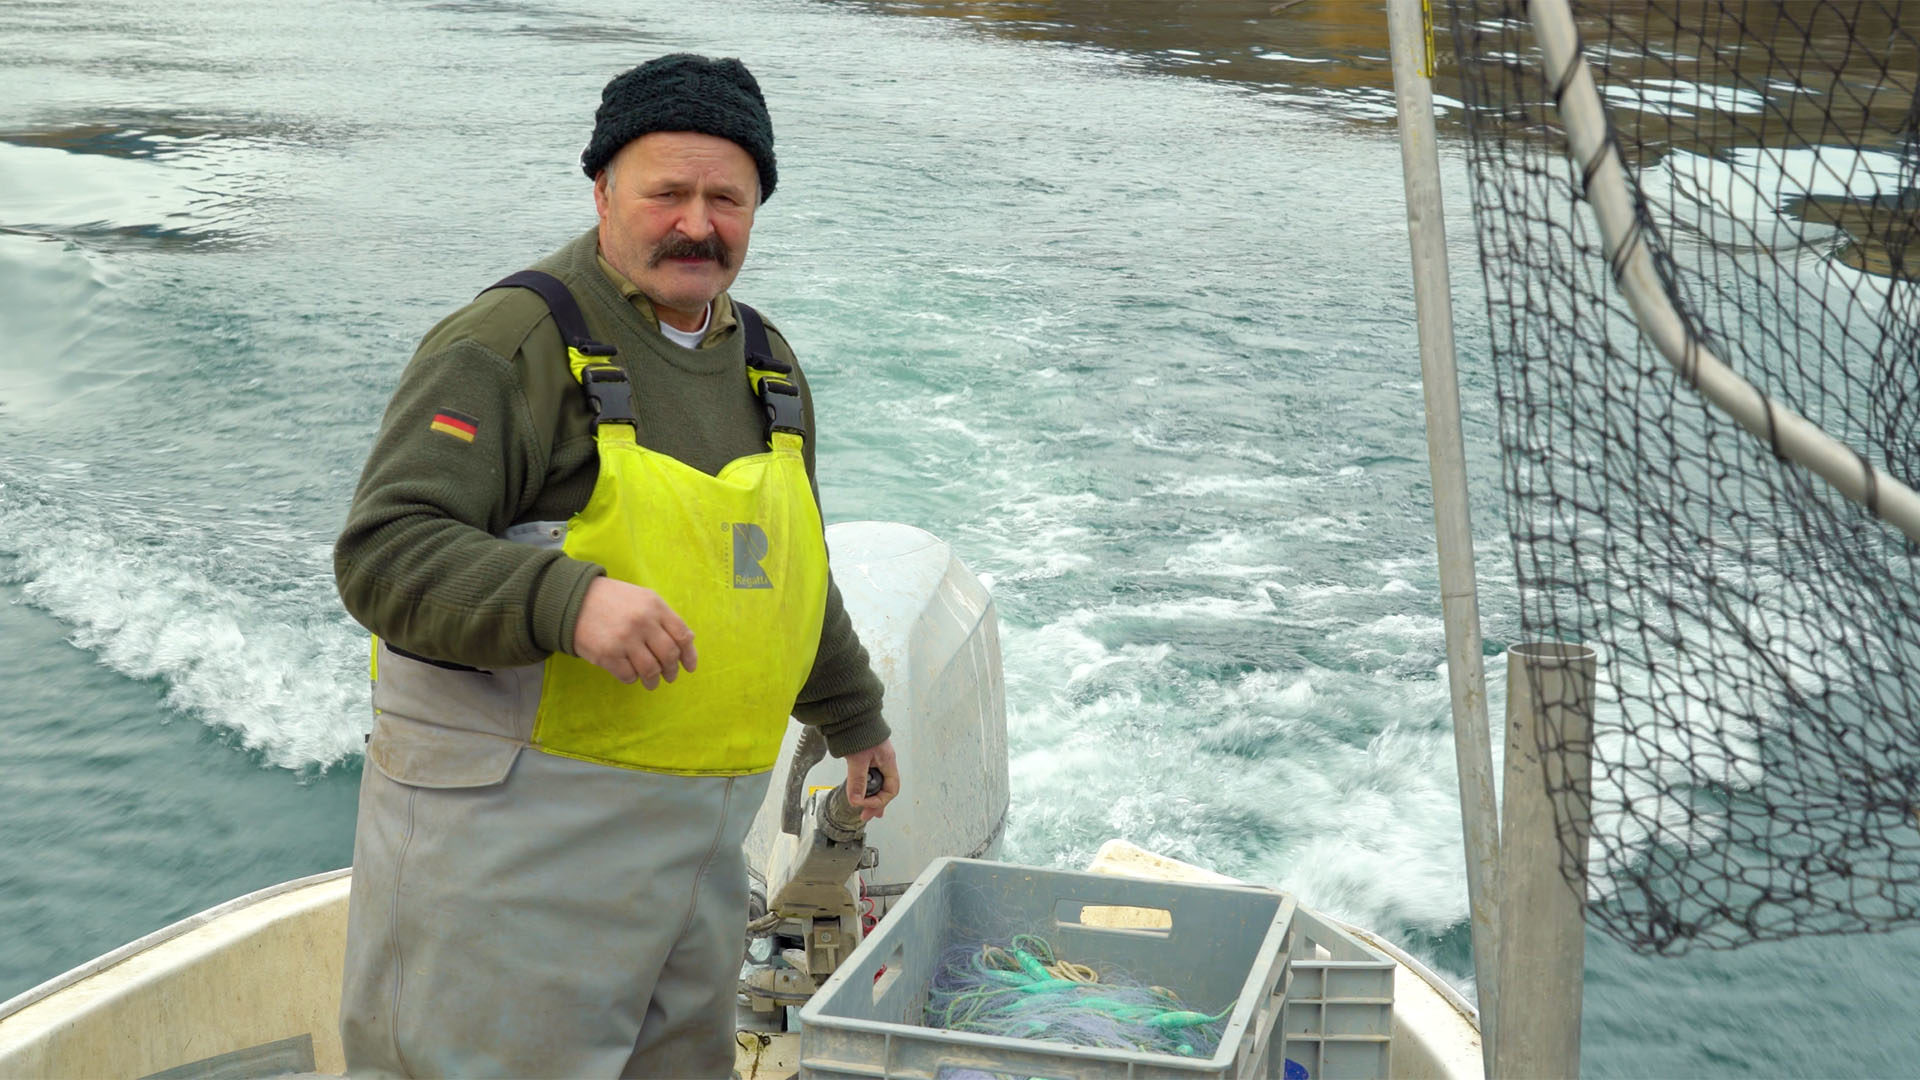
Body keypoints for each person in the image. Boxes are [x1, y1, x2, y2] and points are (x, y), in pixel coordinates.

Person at [332, 53, 900, 1079]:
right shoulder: (509, 344)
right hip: (510, 851)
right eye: (666, 193)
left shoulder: (768, 363)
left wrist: (853, 716)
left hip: (692, 857)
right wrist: (565, 599)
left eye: (726, 196)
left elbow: (784, 568)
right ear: (602, 192)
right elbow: (384, 552)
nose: (697, 223)